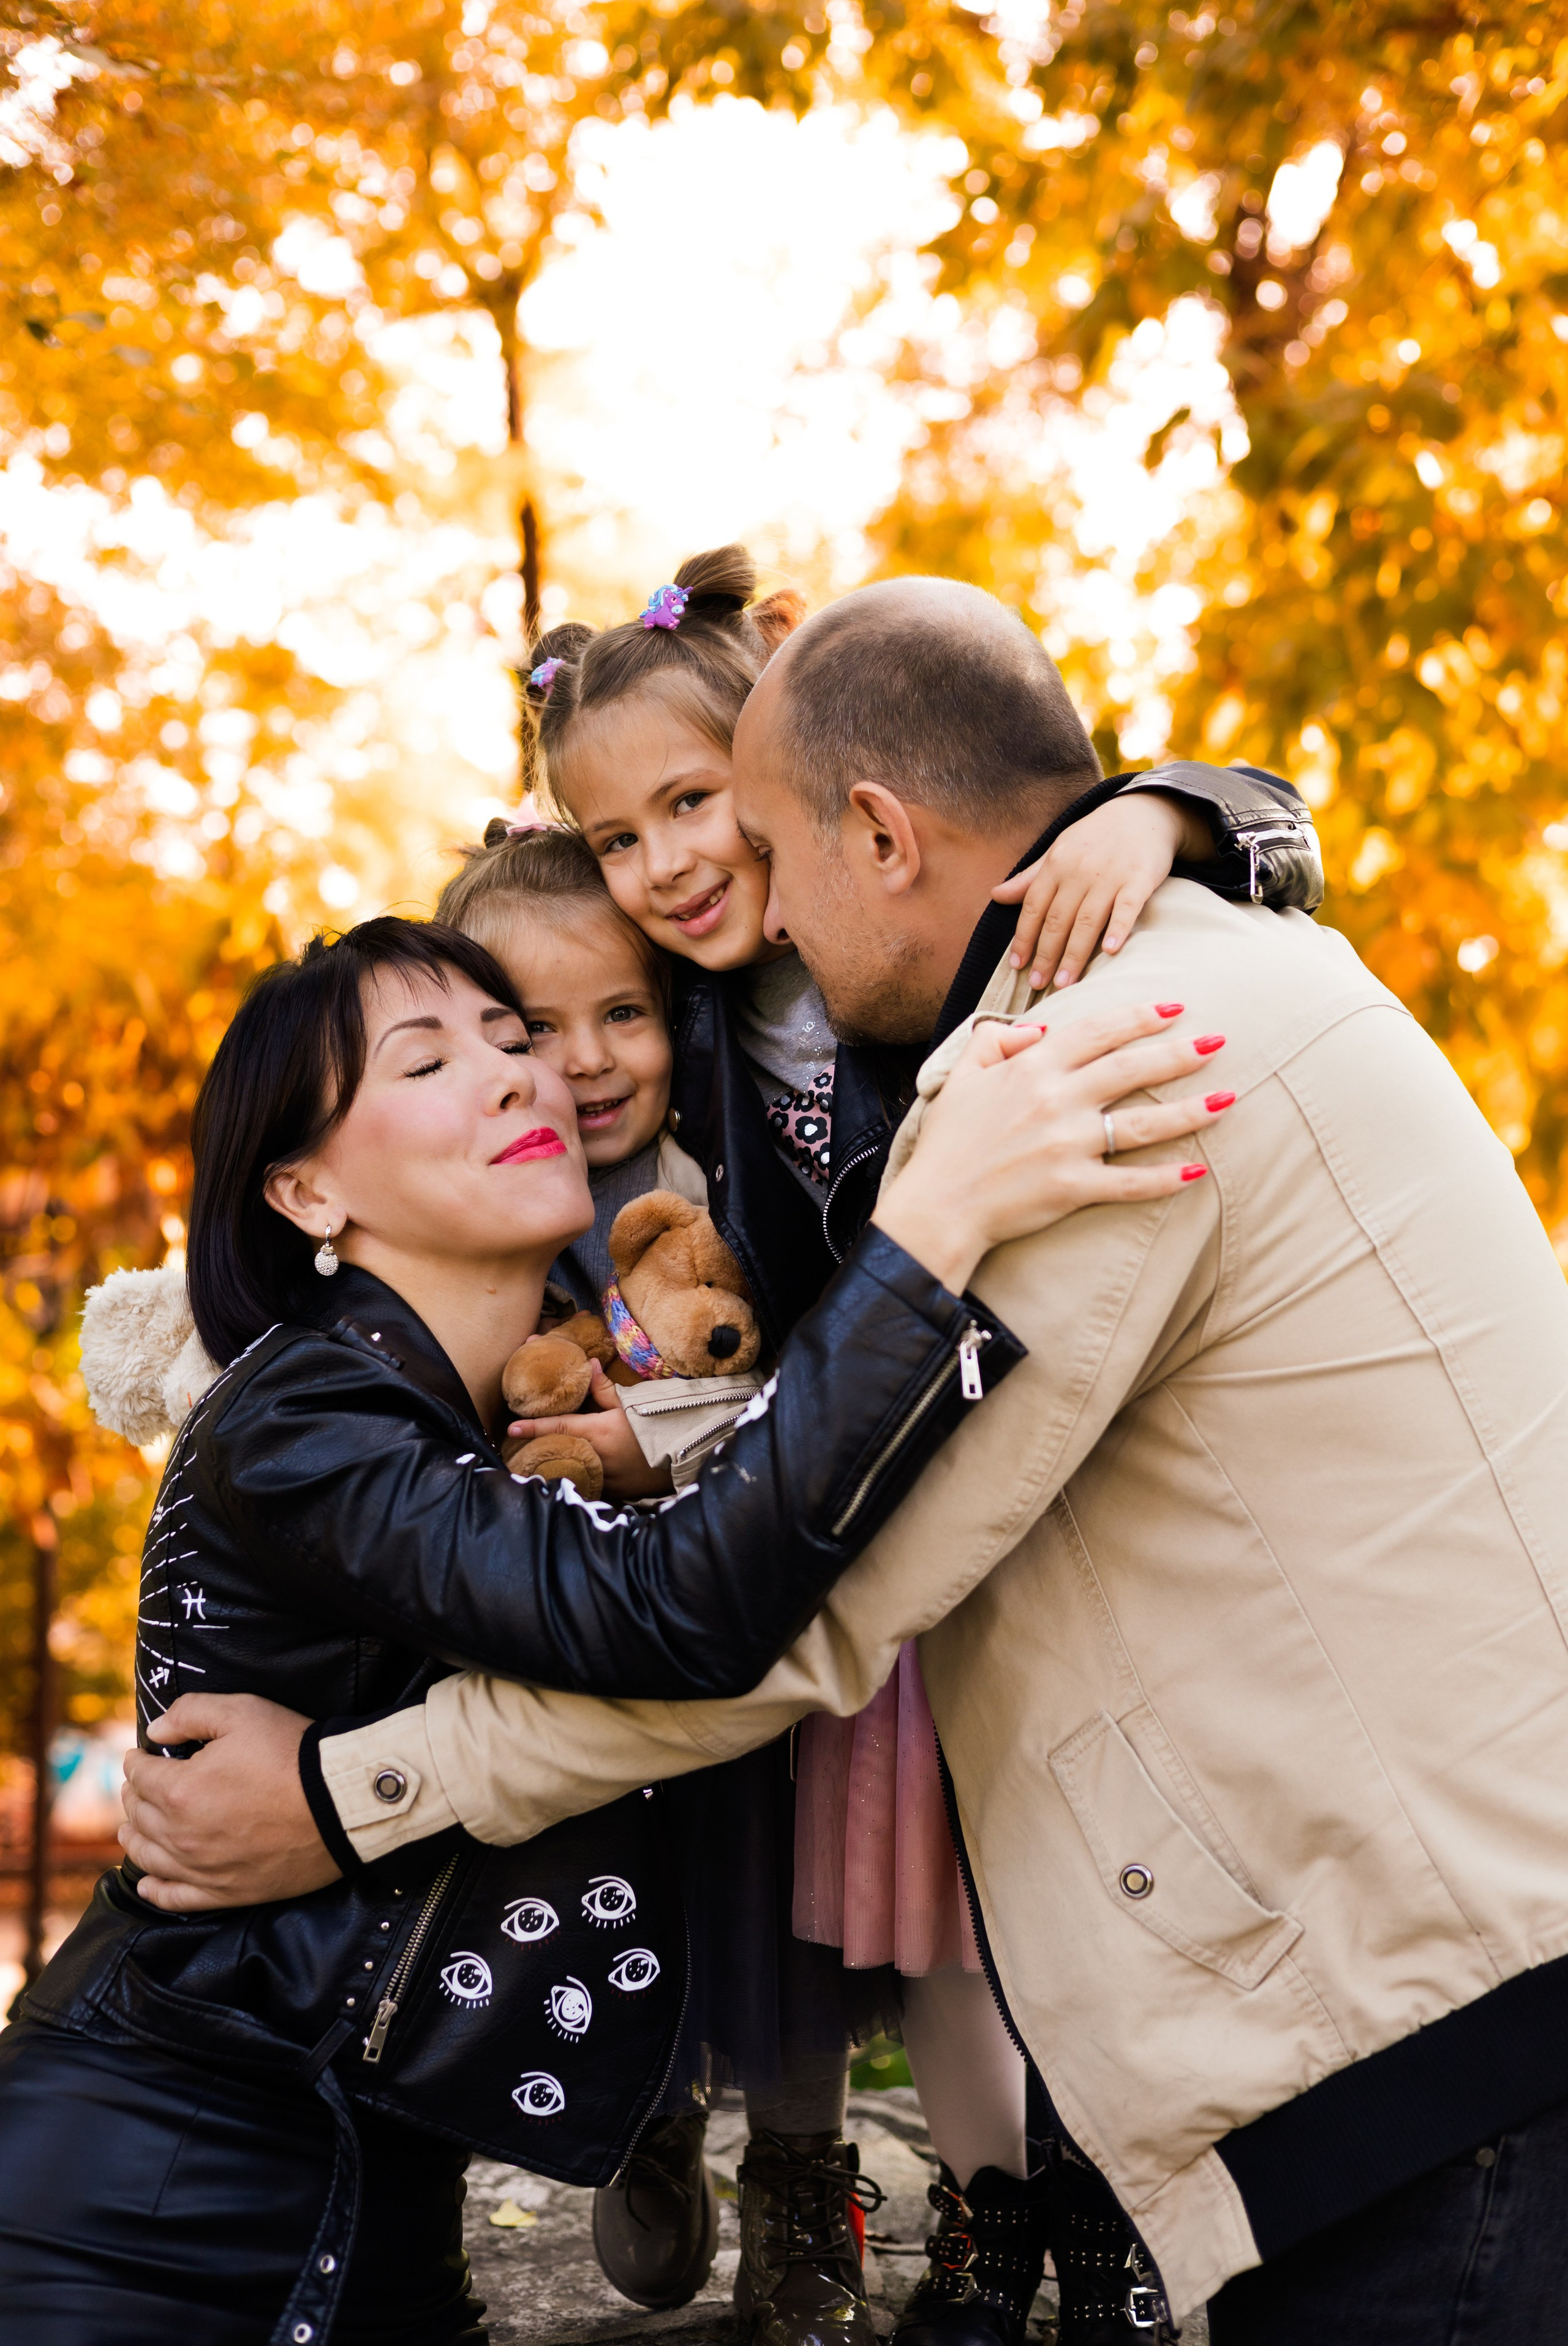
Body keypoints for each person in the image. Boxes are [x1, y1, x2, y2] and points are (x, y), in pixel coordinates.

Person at [129, 573, 1568, 2345]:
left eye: (764, 850)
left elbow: (795, 1598)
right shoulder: (1227, 965)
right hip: (1454, 1988)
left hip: (1433, 2054)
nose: (753, 915)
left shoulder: (1071, 1085)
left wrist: (349, 1794)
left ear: (879, 836)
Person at [1, 911, 1219, 2346]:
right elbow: (672, 1611)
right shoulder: (308, 1421)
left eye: (509, 1038)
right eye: (429, 1061)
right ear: (307, 1191)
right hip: (146, 2216)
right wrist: (928, 1238)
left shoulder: (468, 1419)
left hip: (364, 2219)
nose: (517, 1074)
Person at [514, 545, 1317, 2340]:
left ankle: (1115, 2222)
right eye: (620, 837)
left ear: (799, 789)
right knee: (933, 1914)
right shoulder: (688, 1019)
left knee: (1076, 1878)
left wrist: (1166, 813)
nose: (671, 865)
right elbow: (529, 969)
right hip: (866, 1501)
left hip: (1051, 1464)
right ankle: (972, 2220)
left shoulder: (956, 927)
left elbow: (1265, 822)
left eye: (700, 807)